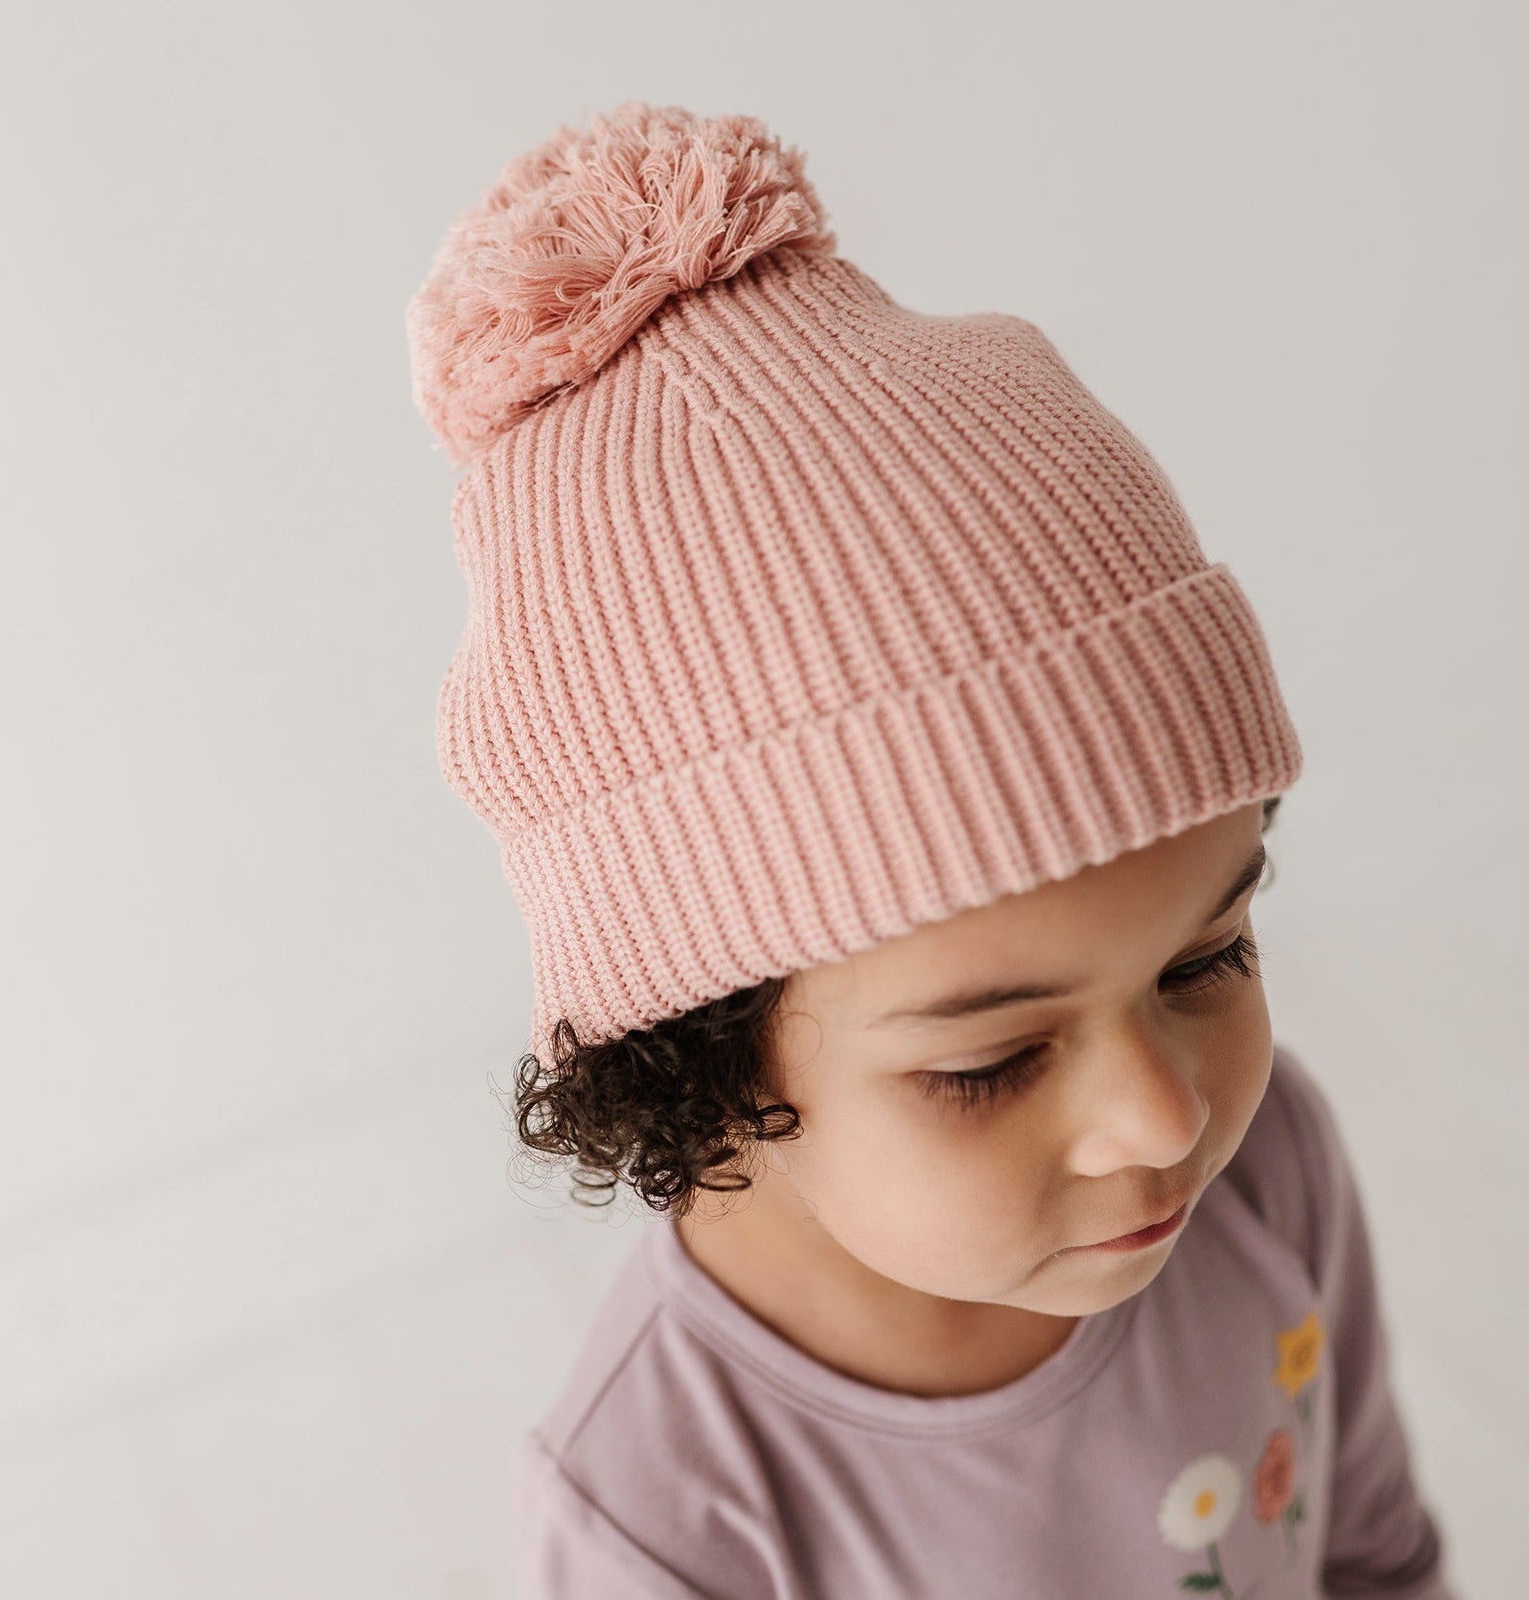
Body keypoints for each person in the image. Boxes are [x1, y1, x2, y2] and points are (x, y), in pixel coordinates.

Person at [406, 101, 1456, 1599]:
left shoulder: (1266, 1169)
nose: (1166, 1115)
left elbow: (1369, 1555)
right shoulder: (661, 1519)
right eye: (991, 1061)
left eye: (1208, 956)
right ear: (702, 1065)